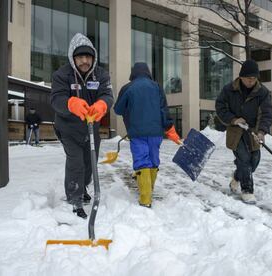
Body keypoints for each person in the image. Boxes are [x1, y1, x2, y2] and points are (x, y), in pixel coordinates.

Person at [50, 33, 114, 219]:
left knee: (89, 162)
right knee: (76, 162)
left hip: (91, 127)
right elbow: (56, 99)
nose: (84, 61)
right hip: (68, 127)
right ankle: (74, 197)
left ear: (93, 57)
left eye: (88, 57)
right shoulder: (62, 75)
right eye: (80, 57)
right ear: (73, 58)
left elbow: (108, 95)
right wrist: (71, 103)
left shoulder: (101, 74)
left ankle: (83, 186)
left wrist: (102, 104)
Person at [114, 62, 181, 208]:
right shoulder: (157, 87)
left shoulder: (128, 87)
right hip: (156, 133)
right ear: (148, 73)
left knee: (142, 161)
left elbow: (118, 109)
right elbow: (164, 110)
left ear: (133, 73)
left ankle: (145, 199)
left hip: (137, 133)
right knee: (153, 159)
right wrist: (169, 127)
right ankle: (149, 190)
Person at [215, 60, 272, 204]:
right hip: (236, 131)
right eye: (248, 78)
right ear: (241, 77)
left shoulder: (263, 92)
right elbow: (220, 107)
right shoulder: (229, 89)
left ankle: (237, 176)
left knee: (254, 160)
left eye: (254, 78)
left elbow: (267, 113)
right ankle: (247, 190)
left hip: (253, 132)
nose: (251, 81)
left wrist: (261, 132)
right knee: (244, 159)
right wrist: (234, 120)